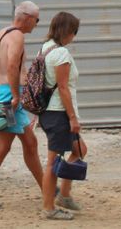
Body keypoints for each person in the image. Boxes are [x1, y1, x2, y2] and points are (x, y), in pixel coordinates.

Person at [0, 0, 45, 210]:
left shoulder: (0, 34)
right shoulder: (17, 36)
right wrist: (15, 96)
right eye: (36, 20)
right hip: (11, 97)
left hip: (2, 93)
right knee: (4, 145)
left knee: (28, 143)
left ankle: (48, 189)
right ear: (27, 17)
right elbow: (12, 65)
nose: (36, 24)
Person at [39, 11, 86, 220]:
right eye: (74, 32)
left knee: (79, 149)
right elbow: (63, 88)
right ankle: (49, 208)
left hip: (50, 112)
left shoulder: (46, 48)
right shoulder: (61, 54)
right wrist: (73, 118)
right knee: (52, 162)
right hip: (59, 114)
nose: (74, 36)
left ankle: (64, 195)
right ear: (67, 31)